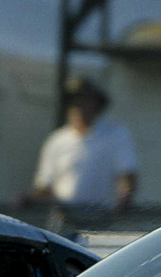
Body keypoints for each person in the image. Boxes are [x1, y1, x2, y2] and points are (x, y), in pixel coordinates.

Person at [21, 78, 138, 218]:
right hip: (64, 220)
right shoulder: (56, 141)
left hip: (101, 219)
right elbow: (45, 187)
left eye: (84, 101)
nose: (78, 107)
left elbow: (127, 176)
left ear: (96, 104)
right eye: (74, 102)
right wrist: (28, 199)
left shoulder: (115, 135)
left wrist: (124, 200)